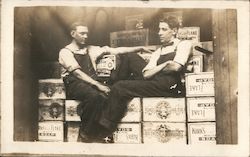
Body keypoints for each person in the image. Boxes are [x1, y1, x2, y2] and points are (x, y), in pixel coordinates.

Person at [98, 16, 193, 136]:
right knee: (129, 57)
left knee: (120, 87)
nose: (159, 33)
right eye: (159, 29)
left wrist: (157, 69)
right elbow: (146, 74)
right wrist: (165, 64)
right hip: (155, 82)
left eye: (164, 29)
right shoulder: (159, 51)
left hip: (170, 86)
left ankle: (105, 128)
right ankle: (112, 90)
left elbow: (176, 67)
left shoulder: (183, 44)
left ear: (174, 31)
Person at [58, 21, 151, 143]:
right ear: (73, 33)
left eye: (87, 33)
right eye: (82, 33)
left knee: (112, 94)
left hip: (90, 82)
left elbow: (117, 50)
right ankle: (84, 134)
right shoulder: (65, 52)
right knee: (94, 96)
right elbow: (77, 73)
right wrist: (98, 86)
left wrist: (139, 48)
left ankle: (101, 133)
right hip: (74, 84)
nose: (86, 36)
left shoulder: (90, 49)